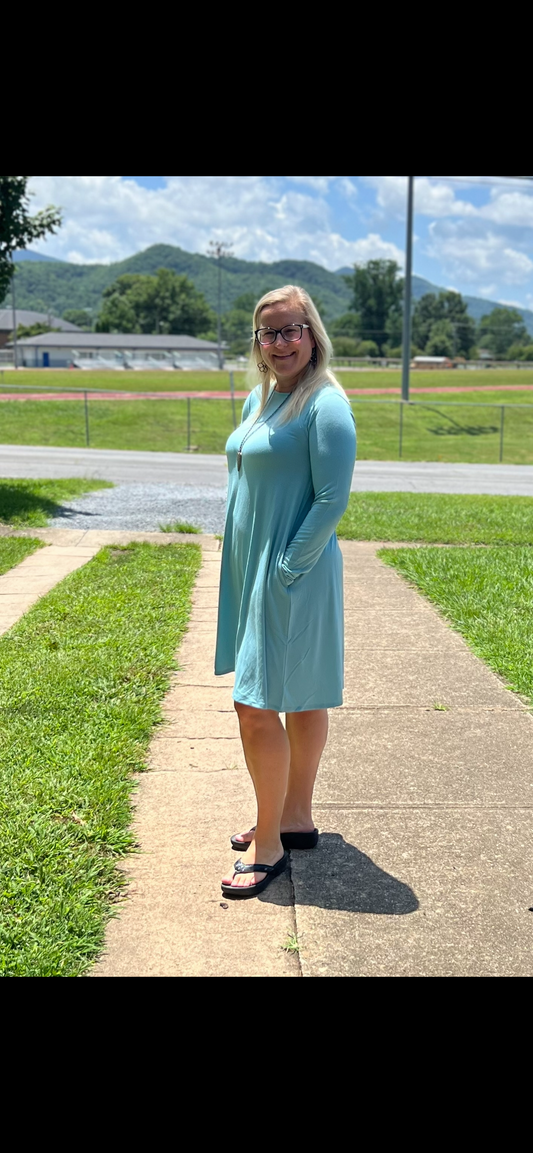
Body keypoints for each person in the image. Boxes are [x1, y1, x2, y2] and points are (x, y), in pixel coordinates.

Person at [215, 285, 356, 899]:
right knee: (295, 696)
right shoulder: (262, 395)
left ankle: (270, 843)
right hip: (257, 568)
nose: (279, 342)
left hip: (292, 572)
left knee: (256, 703)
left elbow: (331, 501)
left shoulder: (326, 405)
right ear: (258, 342)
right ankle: (295, 818)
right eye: (268, 333)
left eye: (290, 330)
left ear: (312, 333)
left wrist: (285, 570)